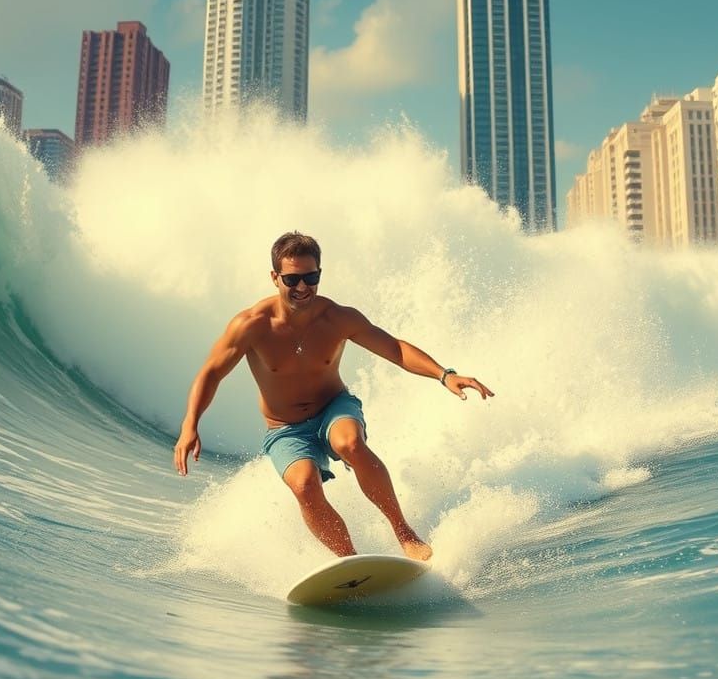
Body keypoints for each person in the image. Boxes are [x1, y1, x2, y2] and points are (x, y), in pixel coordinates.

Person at [173, 232, 494, 561]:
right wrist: (190, 424)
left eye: (310, 277)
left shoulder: (338, 318)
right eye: (292, 278)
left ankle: (403, 531)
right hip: (285, 428)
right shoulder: (252, 325)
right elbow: (210, 372)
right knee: (304, 486)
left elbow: (394, 349)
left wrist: (445, 374)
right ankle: (350, 562)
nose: (302, 287)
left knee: (349, 443)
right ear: (275, 278)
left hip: (333, 408)